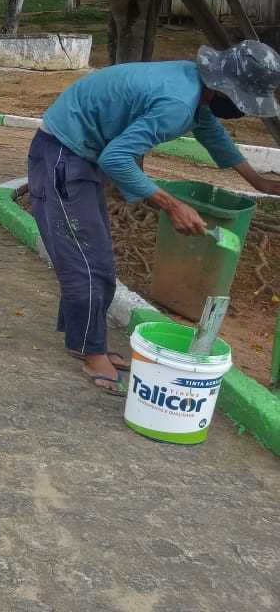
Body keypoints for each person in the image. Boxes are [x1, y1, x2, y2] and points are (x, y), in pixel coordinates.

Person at [29, 41, 280, 395]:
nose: (242, 110)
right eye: (243, 101)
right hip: (63, 155)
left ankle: (84, 341)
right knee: (87, 260)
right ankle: (91, 352)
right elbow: (116, 159)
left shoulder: (194, 87)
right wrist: (172, 205)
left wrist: (259, 182)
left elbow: (212, 134)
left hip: (77, 152)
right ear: (225, 88)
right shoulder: (178, 102)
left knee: (98, 258)